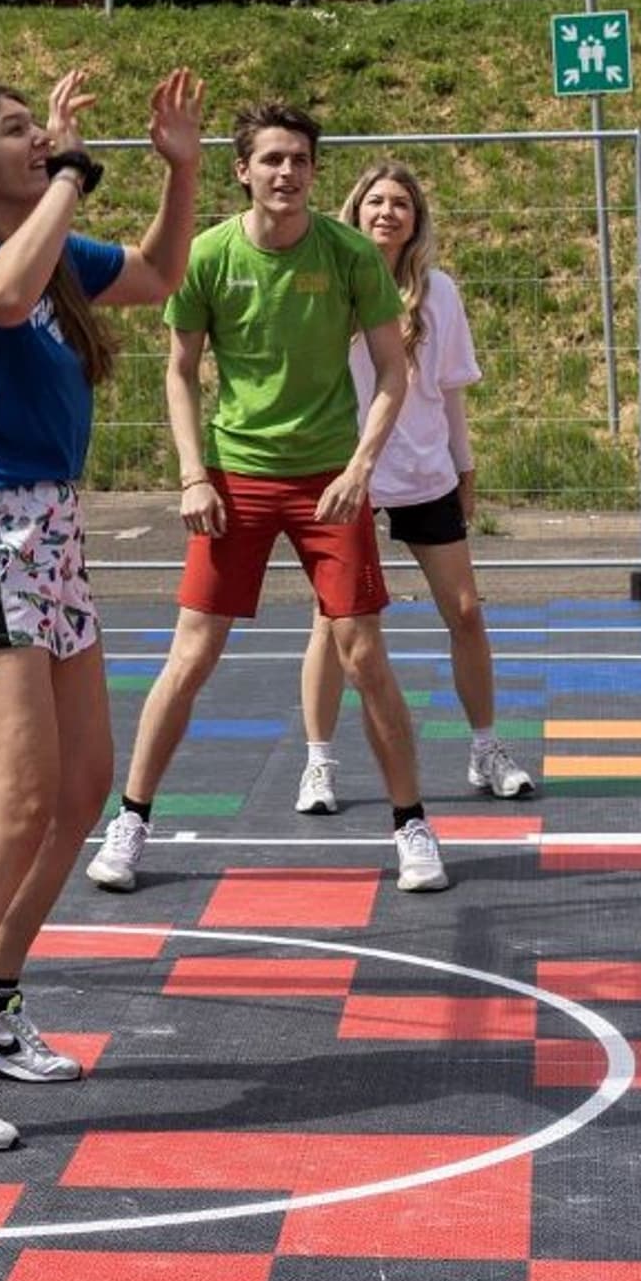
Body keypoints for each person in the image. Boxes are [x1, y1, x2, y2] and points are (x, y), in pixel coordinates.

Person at [0, 66, 206, 1154]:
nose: (35, 140)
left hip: (47, 530)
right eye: (14, 132)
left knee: (77, 790)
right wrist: (68, 174)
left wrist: (183, 173)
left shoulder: (54, 250)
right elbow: (6, 297)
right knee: (12, 803)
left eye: (37, 129)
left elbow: (157, 273)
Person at [87, 103, 447, 896]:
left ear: (316, 173)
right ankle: (131, 821)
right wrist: (191, 473)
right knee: (191, 655)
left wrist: (360, 468)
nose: (288, 173)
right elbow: (179, 372)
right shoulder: (209, 255)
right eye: (273, 160)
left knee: (363, 653)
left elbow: (394, 371)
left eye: (301, 161)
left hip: (328, 481)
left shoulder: (350, 253)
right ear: (243, 171)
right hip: (235, 478)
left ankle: (412, 825)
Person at [293, 161, 536, 813]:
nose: (387, 212)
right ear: (355, 209)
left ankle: (486, 749)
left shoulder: (439, 292)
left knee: (465, 611)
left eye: (400, 202)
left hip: (424, 471)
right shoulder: (326, 283)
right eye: (375, 200)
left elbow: (450, 391)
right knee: (332, 621)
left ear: (415, 219)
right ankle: (318, 764)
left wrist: (465, 466)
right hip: (346, 473)